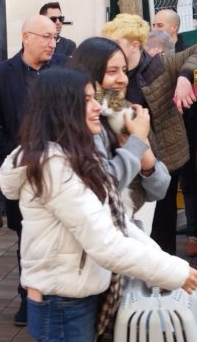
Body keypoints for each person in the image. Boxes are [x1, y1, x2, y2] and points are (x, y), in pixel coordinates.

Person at [0, 66, 197, 342]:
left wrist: (167, 265)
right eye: (88, 100)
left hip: (73, 296)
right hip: (62, 303)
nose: (97, 106)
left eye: (96, 98)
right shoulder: (56, 166)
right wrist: (172, 271)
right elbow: (105, 242)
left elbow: (114, 225)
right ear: (62, 108)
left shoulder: (76, 155)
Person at [102, 13, 197, 256]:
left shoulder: (162, 64)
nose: (110, 50)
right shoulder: (112, 74)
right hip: (128, 160)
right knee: (131, 228)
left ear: (135, 45)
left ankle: (163, 281)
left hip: (165, 160)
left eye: (116, 43)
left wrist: (185, 76)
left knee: (162, 228)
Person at [0, 15, 67, 326]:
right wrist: (16, 155)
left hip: (61, 169)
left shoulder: (63, 70)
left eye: (54, 37)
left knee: (62, 232)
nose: (52, 43)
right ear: (25, 36)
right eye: (45, 36)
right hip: (21, 170)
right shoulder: (0, 75)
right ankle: (28, 297)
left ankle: (59, 295)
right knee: (26, 237)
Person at [70, 36, 169, 220]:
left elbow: (159, 189)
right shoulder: (80, 118)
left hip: (128, 226)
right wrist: (137, 144)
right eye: (112, 71)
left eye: (124, 70)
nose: (122, 79)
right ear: (90, 73)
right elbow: (103, 185)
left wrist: (147, 161)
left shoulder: (129, 112)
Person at [153, 9, 197, 257]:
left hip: (186, 129)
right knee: (164, 189)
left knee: (189, 183)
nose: (154, 28)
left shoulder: (190, 52)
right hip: (159, 134)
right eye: (153, 24)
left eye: (159, 24)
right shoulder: (153, 53)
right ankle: (163, 246)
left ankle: (193, 235)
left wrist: (186, 117)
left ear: (173, 28)